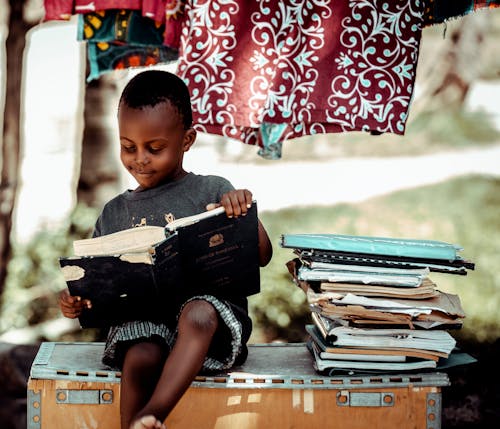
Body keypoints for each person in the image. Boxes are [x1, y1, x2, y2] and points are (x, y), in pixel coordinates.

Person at [59, 70, 273, 429]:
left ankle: (152, 414)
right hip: (147, 326)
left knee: (198, 312)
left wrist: (244, 213)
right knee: (141, 351)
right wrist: (76, 300)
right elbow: (96, 282)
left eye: (154, 148)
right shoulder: (114, 212)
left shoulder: (213, 189)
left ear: (187, 139)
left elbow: (261, 256)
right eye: (128, 147)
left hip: (209, 333)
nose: (139, 159)